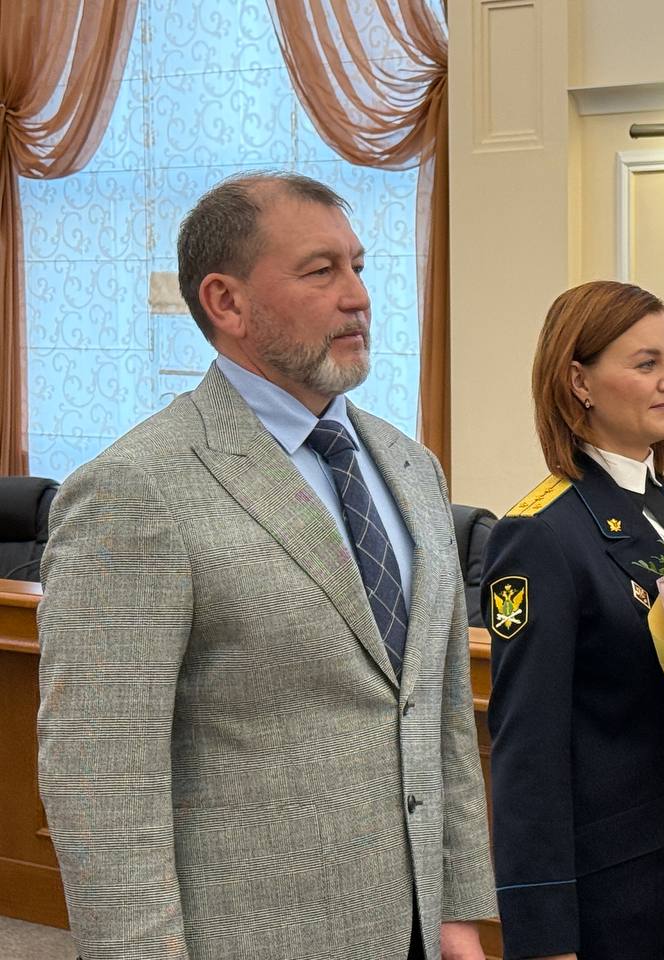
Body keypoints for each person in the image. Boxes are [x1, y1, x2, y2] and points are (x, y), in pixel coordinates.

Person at [37, 172, 496, 960]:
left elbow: (440, 712)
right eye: (321, 271)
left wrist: (457, 909)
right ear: (226, 302)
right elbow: (102, 782)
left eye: (359, 267)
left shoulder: (411, 466)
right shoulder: (136, 488)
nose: (358, 297)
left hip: (418, 931)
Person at [481, 280, 664, 960]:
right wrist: (543, 937)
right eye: (646, 363)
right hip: (617, 894)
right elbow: (528, 751)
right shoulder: (540, 535)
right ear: (579, 382)